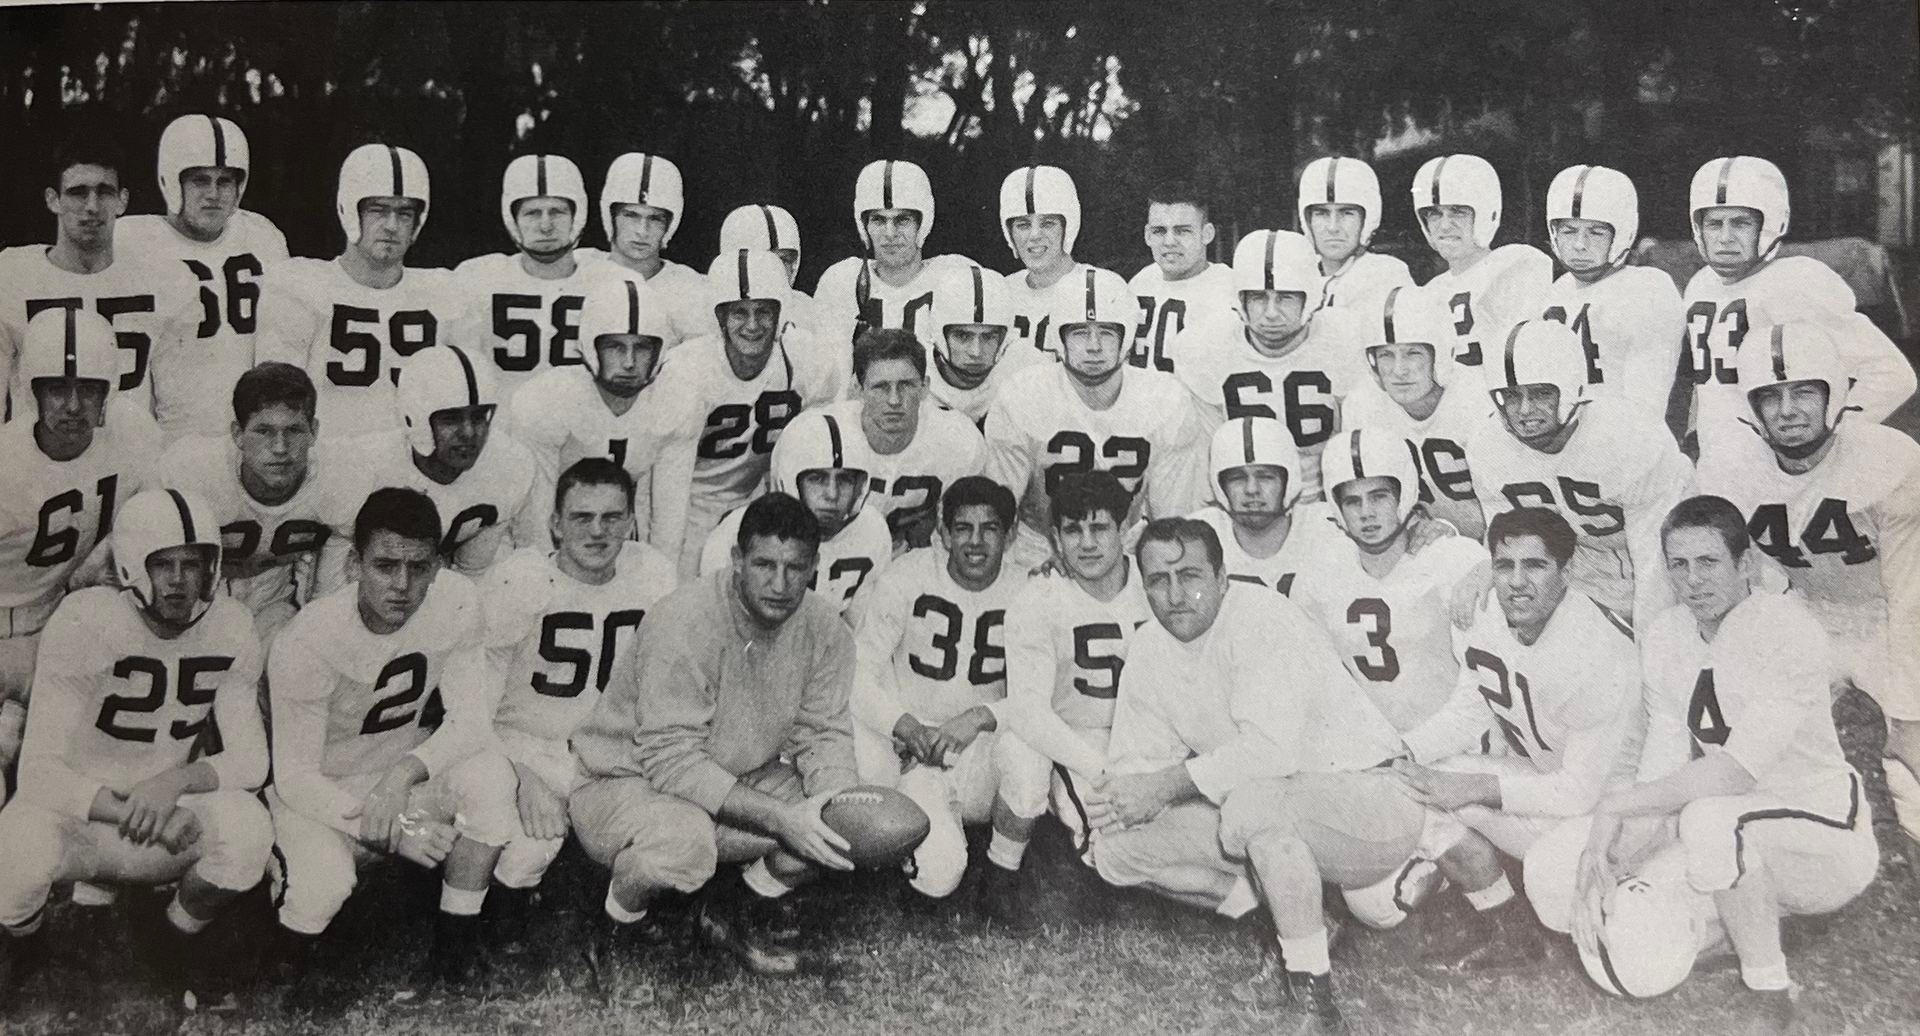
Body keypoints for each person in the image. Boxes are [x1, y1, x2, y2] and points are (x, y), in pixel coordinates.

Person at [1525, 496, 1876, 1034]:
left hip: (1821, 833)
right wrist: (1620, 856)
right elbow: (1663, 767)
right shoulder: (1668, 635)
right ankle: (1757, 922)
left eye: (1708, 562)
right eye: (1679, 564)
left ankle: (1769, 989)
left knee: (1709, 819)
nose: (1693, 579)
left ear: (1745, 563)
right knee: (1557, 869)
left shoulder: (1786, 628)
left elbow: (1735, 772)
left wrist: (1617, 808)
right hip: (1734, 829)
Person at [1094, 517, 1411, 1034]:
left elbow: (1271, 753)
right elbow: (1139, 767)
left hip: (1370, 801)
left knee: (1253, 807)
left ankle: (1313, 998)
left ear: (1223, 577)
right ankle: (1297, 918)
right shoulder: (1150, 646)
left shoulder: (1262, 618)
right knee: (1114, 848)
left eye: (1190, 575)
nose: (1175, 595)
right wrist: (1124, 798)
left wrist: (1164, 786)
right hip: (1272, 808)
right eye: (1158, 580)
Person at [569, 492, 859, 980]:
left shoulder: (824, 626)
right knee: (686, 843)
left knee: (842, 818)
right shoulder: (684, 617)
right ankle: (616, 930)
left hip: (729, 778)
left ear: (814, 567)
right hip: (625, 782)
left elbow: (823, 732)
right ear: (737, 559)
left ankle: (730, 910)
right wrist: (781, 818)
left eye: (795, 568)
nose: (780, 584)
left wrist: (834, 801)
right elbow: (669, 758)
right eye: (764, 565)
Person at [0, 489, 270, 1006]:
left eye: (192, 564)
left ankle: (171, 937)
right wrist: (133, 809)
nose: (178, 580)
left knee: (249, 831)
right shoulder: (86, 620)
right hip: (82, 815)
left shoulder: (231, 624)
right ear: (129, 565)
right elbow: (38, 775)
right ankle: (26, 943)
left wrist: (173, 783)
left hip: (167, 811)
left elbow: (251, 761)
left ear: (212, 567)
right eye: (163, 564)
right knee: (14, 855)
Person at [265, 487, 517, 985]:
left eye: (419, 567)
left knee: (491, 777)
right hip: (321, 791)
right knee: (322, 888)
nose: (402, 585)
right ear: (353, 564)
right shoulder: (309, 637)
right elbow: (294, 777)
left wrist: (402, 776)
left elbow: (470, 722)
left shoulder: (456, 601)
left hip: (397, 776)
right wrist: (392, 828)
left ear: (438, 566)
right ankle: (285, 950)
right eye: (385, 566)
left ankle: (455, 943)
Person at [1694, 320, 1920, 853]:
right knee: (1746, 727)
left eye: (1803, 392)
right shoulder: (1731, 469)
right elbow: (1746, 579)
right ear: (1751, 407)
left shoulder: (1887, 458)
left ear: (1834, 393)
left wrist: (1907, 710)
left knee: (1912, 751)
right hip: (1808, 608)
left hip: (1893, 610)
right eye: (1770, 397)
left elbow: (1909, 590)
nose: (1787, 410)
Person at [1391, 508, 1639, 973]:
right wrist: (1399, 752)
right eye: (1505, 566)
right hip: (1547, 780)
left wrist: (1473, 788)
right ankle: (1507, 926)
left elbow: (1579, 791)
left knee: (1549, 878)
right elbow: (1471, 710)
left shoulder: (1597, 651)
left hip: (1617, 805)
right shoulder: (1488, 615)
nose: (1517, 582)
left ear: (1567, 571)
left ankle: (1630, 884)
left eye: (1535, 566)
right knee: (1414, 781)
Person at [475, 459, 679, 928]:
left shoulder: (650, 574)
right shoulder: (520, 581)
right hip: (528, 745)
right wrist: (520, 776)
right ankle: (499, 921)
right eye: (582, 517)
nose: (597, 531)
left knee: (673, 823)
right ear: (555, 524)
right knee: (529, 850)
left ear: (630, 523)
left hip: (610, 749)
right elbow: (473, 708)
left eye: (612, 517)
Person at [979, 473, 1151, 930]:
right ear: (1055, 538)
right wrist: (1101, 769)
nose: (1087, 543)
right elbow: (1031, 713)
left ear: (1124, 529)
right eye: (1074, 530)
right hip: (1068, 737)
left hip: (1145, 734)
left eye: (1100, 528)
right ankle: (1001, 868)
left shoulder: (1154, 585)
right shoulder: (1039, 597)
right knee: (1024, 759)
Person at [0, 310, 158, 801]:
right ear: (32, 391)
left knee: (89, 771)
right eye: (57, 389)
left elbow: (148, 520)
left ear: (109, 390)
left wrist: (99, 564)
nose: (72, 406)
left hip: (72, 621)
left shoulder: (133, 434)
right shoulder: (5, 465)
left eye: (88, 389)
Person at [848, 477, 1028, 901]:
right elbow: (858, 672)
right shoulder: (906, 576)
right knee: (938, 878)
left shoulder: (1029, 591)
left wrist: (981, 717)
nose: (975, 542)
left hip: (983, 749)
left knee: (1029, 751)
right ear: (943, 533)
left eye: (990, 528)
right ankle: (925, 829)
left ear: (1011, 535)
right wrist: (904, 725)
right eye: (963, 528)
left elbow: (1046, 696)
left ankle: (1004, 865)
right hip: (917, 750)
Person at [1677, 155, 1913, 463]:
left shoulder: (1796, 282)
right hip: (1719, 463)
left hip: (1783, 468)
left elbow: (1891, 374)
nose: (1725, 238)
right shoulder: (1701, 284)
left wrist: (1829, 439)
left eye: (1741, 223)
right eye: (1713, 224)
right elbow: (1708, 377)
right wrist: (1696, 434)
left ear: (1770, 223)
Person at [1467, 319, 1691, 631]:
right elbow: (1508, 548)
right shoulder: (1488, 446)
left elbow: (1658, 563)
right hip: (1578, 588)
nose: (1525, 410)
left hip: (1655, 581)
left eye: (1541, 393)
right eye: (1511, 396)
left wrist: (1650, 640)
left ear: (1572, 388)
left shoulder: (1631, 437)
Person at [983, 267, 1209, 575]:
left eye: (1106, 332)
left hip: (1129, 551)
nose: (1093, 346)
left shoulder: (1165, 398)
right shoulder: (1022, 395)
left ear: (1127, 336)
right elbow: (997, 510)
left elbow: (1172, 519)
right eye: (1079, 333)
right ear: (1059, 336)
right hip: (1036, 552)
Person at [254, 143, 458, 436]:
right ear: (350, 210)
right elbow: (275, 404)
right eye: (378, 210)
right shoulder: (301, 285)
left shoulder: (441, 290)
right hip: (325, 456)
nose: (392, 225)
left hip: (408, 458)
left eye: (404, 213)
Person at [658, 249, 841, 576]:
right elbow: (668, 480)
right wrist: (664, 561)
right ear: (720, 318)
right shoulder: (687, 370)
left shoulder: (806, 360)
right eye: (739, 312)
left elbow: (810, 454)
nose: (753, 325)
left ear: (780, 313)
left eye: (763, 311)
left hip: (759, 502)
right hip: (690, 507)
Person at [1298, 428, 1487, 738]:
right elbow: (1318, 682)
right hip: (1373, 746)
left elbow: (1485, 684)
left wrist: (1416, 747)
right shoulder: (1319, 573)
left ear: (1404, 493)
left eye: (1379, 497)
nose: (1366, 513)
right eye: (1352, 501)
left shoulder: (1455, 559)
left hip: (1462, 746)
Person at [117, 114, 291, 439]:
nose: (213, 193)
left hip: (249, 437)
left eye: (225, 181)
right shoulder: (132, 242)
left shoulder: (262, 237)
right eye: (200, 180)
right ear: (172, 181)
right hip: (169, 436)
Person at [504, 276, 701, 559]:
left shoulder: (677, 401)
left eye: (642, 347)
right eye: (615, 347)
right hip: (547, 530)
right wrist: (547, 575)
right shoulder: (547, 399)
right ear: (590, 346)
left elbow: (669, 517)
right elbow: (533, 524)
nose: (629, 362)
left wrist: (660, 573)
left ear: (659, 352)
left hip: (617, 527)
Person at [0, 143, 200, 422]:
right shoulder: (12, 276)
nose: (92, 207)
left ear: (122, 201)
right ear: (53, 200)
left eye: (105, 192)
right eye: (78, 193)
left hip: (132, 446)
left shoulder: (161, 279)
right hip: (39, 448)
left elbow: (180, 409)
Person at [316, 346, 538, 592]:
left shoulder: (509, 464)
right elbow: (336, 577)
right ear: (416, 418)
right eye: (451, 418)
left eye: (478, 417)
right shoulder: (366, 465)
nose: (469, 433)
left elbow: (472, 573)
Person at [157, 362, 350, 644]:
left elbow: (329, 596)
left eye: (294, 430)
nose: (280, 448)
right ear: (237, 434)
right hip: (200, 610)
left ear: (314, 432)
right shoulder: (192, 471)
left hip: (277, 608)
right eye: (264, 431)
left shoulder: (339, 479)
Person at [1171, 229, 1371, 499]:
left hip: (1326, 501)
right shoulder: (1205, 347)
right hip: (1242, 504)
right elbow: (1206, 456)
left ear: (1310, 297)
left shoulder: (1348, 339)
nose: (1271, 313)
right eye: (1258, 297)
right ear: (1240, 299)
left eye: (1285, 297)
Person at [699, 409, 892, 614]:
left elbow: (860, 625)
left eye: (844, 479)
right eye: (817, 479)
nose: (832, 494)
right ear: (790, 478)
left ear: (859, 485)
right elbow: (716, 619)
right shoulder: (736, 530)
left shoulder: (873, 529)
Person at [454, 154, 611, 405]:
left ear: (577, 215)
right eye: (532, 213)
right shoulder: (477, 278)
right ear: (513, 219)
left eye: (557, 212)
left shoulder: (608, 278)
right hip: (502, 425)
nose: (545, 226)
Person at [1339, 285, 1489, 538]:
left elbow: (1506, 503)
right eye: (1386, 354)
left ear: (1439, 353)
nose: (1399, 370)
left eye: (1413, 353)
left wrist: (1455, 533)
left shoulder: (1478, 399)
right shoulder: (1362, 405)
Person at [816, 328, 985, 549]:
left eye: (906, 385)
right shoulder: (820, 436)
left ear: (924, 387)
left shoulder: (959, 439)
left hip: (915, 560)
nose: (894, 400)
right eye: (880, 387)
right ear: (858, 389)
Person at [1537, 164, 1683, 420]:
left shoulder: (1646, 287)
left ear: (1622, 233)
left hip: (1620, 434)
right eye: (1569, 231)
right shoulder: (1557, 290)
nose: (1579, 245)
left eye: (1596, 232)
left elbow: (1646, 400)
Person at [1410, 153, 1553, 381]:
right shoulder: (1430, 291)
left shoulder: (1515, 265)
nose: (1444, 225)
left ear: (1486, 212)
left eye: (1458, 211)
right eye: (1434, 214)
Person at [816, 160, 976, 351]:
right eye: (878, 220)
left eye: (902, 220)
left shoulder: (956, 275)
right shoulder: (841, 282)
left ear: (922, 224)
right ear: (864, 226)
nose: (890, 233)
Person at [1188, 415, 1348, 595]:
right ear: (1221, 486)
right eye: (1237, 478)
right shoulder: (1196, 537)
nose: (1252, 489)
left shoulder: (1327, 528)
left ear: (1288, 481)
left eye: (1265, 477)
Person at [997, 164, 1116, 366]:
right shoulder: (1001, 291)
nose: (1035, 235)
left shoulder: (1101, 289)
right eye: (1023, 225)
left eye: (1047, 223)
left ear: (1067, 228)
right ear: (1009, 233)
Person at [594, 152, 708, 346]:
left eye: (655, 219)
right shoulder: (579, 270)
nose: (642, 231)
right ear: (611, 217)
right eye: (631, 215)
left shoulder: (691, 288)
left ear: (670, 224)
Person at [1127, 181, 1234, 374]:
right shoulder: (1141, 282)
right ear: (1147, 235)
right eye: (1159, 231)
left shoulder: (1229, 287)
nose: (1169, 242)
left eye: (1182, 231)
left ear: (1207, 234)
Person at [1296, 156, 1413, 317]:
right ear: (1308, 220)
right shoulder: (1297, 275)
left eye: (1347, 213)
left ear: (1366, 219)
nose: (1333, 227)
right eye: (1321, 213)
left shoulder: (1384, 273)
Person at [924, 262, 1018, 426]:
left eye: (988, 337)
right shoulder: (911, 375)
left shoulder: (1024, 373)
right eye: (963, 336)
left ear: (1005, 338)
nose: (976, 351)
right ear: (939, 333)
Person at [716, 203, 820, 336]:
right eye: (766, 260)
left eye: (784, 260)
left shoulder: (809, 313)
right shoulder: (706, 314)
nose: (777, 269)